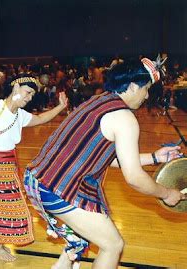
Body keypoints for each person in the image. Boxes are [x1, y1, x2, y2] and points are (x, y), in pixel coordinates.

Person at [24, 56, 186, 269]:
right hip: (57, 188)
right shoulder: (124, 117)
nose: (146, 96)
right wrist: (167, 193)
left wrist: (155, 157)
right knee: (112, 245)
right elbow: (135, 178)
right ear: (131, 86)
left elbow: (102, 158)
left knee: (81, 238)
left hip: (39, 180)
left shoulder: (98, 101)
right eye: (145, 89)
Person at [0, 55, 68, 262]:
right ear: (15, 87)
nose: (29, 98)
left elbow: (40, 119)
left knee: (7, 205)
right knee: (2, 206)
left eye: (31, 95)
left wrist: (60, 108)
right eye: (27, 93)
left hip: (8, 165)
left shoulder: (20, 115)